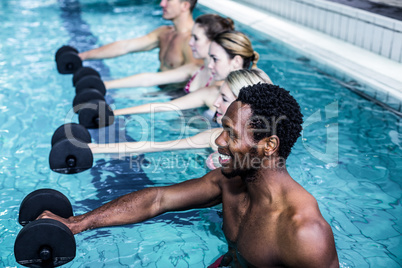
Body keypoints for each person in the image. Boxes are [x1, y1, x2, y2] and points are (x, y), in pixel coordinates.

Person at [38, 82, 339, 267]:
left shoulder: (303, 233)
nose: (219, 140)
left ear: (269, 145)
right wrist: (77, 223)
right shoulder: (230, 182)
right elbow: (158, 199)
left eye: (231, 134)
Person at [89, 69, 272, 164]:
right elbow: (156, 146)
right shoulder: (214, 137)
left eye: (223, 98)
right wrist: (95, 148)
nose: (215, 102)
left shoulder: (265, 150)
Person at [111, 30, 264, 118]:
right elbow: (166, 106)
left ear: (236, 61)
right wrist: (113, 113)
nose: (209, 65)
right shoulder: (213, 91)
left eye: (215, 59)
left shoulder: (260, 93)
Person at [103, 14, 235, 93]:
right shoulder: (195, 69)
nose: (190, 43)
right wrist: (106, 85)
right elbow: (148, 79)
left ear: (213, 41)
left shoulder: (224, 83)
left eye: (196, 38)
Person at [79, 0, 201, 72]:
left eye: (168, 0)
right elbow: (124, 46)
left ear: (185, 5)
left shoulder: (192, 42)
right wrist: (82, 56)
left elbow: (194, 80)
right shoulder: (163, 32)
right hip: (161, 93)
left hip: (179, 103)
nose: (161, 4)